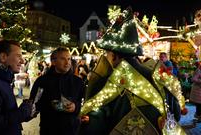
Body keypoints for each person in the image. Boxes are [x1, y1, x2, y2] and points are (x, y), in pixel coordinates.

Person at [79, 7, 186, 135]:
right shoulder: (160, 74)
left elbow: (95, 127)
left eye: (107, 54)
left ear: (113, 56)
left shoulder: (108, 82)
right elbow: (177, 115)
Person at [29, 47, 84, 135]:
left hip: (71, 129)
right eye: (63, 59)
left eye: (69, 59)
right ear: (53, 62)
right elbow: (35, 102)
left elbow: (84, 102)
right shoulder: (42, 81)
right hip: (49, 129)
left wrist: (75, 107)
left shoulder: (78, 81)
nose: (67, 62)